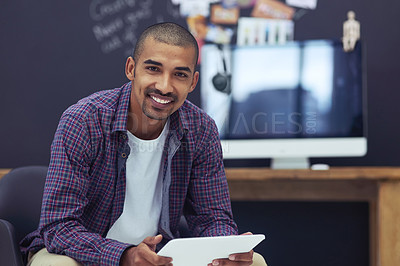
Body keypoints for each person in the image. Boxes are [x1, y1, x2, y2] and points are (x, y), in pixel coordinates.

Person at [20, 22, 267, 266]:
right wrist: (124, 255)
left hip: (158, 257)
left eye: (179, 74)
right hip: (78, 253)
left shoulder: (201, 129)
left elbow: (212, 218)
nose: (164, 86)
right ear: (131, 68)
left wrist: (227, 247)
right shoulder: (84, 121)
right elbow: (58, 228)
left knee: (253, 262)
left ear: (192, 82)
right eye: (153, 69)